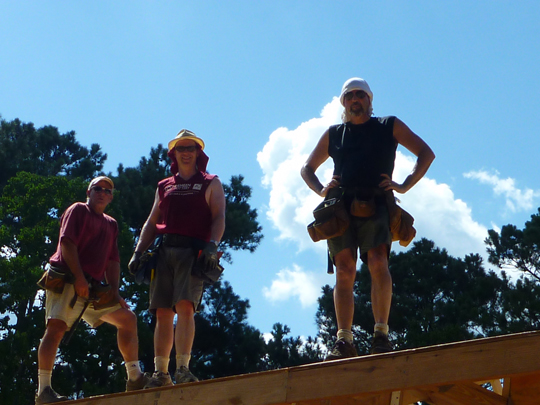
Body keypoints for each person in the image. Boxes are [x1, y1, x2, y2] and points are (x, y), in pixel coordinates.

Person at [301, 78, 435, 359]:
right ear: (344, 102)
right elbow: (307, 169)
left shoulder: (388, 126)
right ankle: (344, 340)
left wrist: (404, 184)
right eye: (349, 96)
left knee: (377, 261)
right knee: (345, 268)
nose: (355, 100)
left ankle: (381, 335)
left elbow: (426, 153)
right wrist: (321, 190)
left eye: (360, 95)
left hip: (376, 202)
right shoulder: (334, 134)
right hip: (341, 207)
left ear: (369, 100)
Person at [36, 176, 148, 404]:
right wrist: (78, 277)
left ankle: (135, 377)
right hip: (68, 280)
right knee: (56, 328)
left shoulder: (111, 224)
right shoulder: (77, 210)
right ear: (89, 192)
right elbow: (67, 243)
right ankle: (43, 390)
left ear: (111, 197)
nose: (102, 193)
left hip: (93, 288)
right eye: (97, 188)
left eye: (107, 191)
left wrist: (115, 291)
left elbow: (113, 260)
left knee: (127, 319)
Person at [128, 129, 226, 387]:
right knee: (161, 311)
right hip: (164, 250)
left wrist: (213, 246)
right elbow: (152, 221)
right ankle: (161, 373)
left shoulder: (211, 182)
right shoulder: (164, 185)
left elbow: (218, 218)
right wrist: (138, 252)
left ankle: (182, 368)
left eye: (190, 148)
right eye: (180, 148)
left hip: (192, 252)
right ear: (174, 154)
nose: (185, 153)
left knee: (185, 307)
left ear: (198, 153)